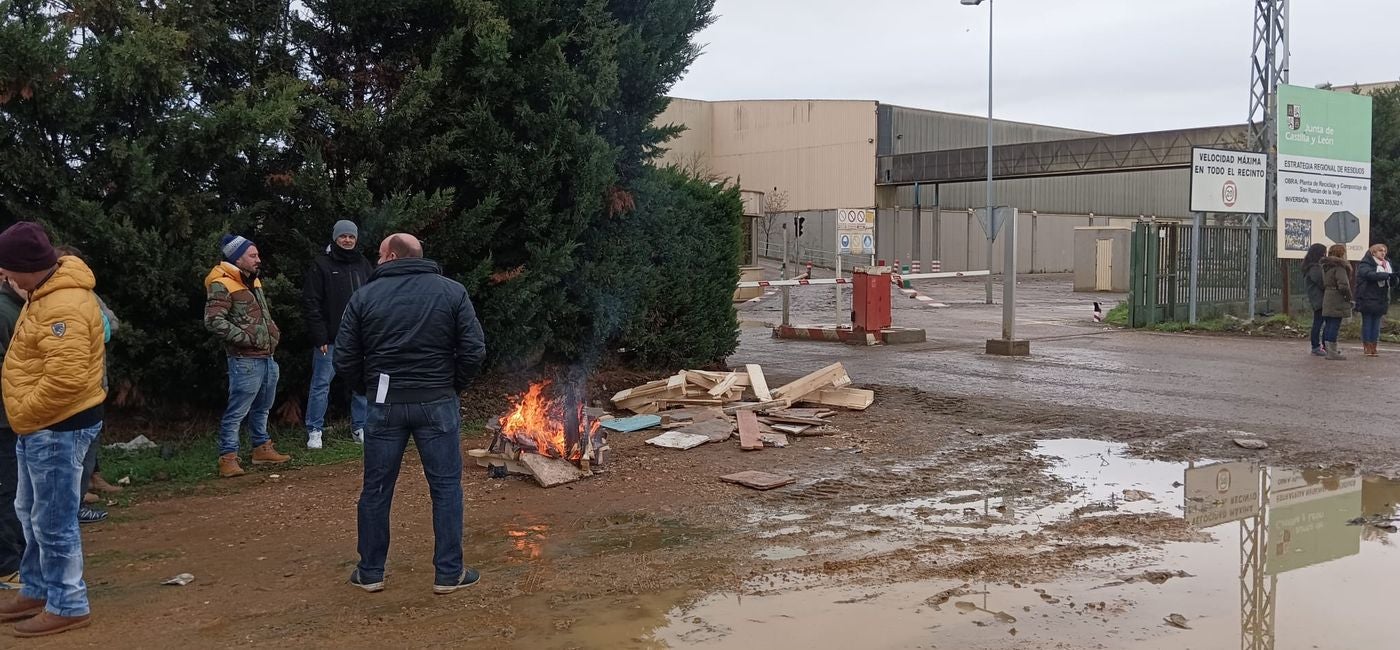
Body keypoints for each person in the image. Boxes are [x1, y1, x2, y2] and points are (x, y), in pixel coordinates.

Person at [335, 233, 486, 595]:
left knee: (376, 488)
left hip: (384, 405)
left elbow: (344, 356)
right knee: (446, 488)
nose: (375, 259)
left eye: (378, 254)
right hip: (437, 401)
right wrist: (450, 385)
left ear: (390, 256)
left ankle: (371, 572)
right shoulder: (452, 292)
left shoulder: (364, 296)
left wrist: (366, 389)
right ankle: (449, 574)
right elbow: (474, 350)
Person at [0, 222, 106, 637]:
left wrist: (25, 411)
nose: (4, 276)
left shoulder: (62, 305)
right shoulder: (42, 294)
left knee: (53, 519)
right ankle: (39, 587)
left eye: (7, 268)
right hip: (41, 427)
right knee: (30, 510)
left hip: (57, 427)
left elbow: (66, 379)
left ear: (25, 266)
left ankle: (68, 602)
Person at [205, 234, 290, 478]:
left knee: (263, 406)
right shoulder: (221, 283)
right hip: (244, 358)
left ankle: (261, 448)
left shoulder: (252, 280)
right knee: (238, 410)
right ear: (236, 257)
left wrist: (272, 332)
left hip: (267, 355)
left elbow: (262, 315)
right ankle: (228, 457)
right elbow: (213, 321)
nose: (258, 260)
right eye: (253, 255)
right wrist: (247, 339)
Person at [53, 245, 120, 525]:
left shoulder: (89, 295)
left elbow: (112, 324)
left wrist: (98, 324)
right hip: (70, 387)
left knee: (89, 444)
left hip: (95, 381)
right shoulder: (55, 299)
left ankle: (77, 500)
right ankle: (67, 509)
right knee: (67, 451)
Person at [302, 220, 372, 449]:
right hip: (330, 340)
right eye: (343, 236)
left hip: (360, 339)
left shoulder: (363, 264)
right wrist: (319, 335)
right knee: (321, 385)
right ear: (335, 238)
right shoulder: (321, 264)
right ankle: (314, 430)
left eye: (351, 236)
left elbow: (373, 297)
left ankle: (360, 427)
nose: (348, 240)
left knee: (361, 385)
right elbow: (312, 302)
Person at [0, 273, 25, 586]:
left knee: (17, 490)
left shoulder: (21, 306)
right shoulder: (4, 311)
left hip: (17, 416)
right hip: (5, 418)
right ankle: (7, 565)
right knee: (8, 491)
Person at [1354, 243, 1394, 358]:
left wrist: (1393, 279)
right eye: (1380, 250)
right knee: (1367, 322)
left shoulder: (1387, 264)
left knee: (1377, 324)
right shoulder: (1366, 263)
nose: (1383, 253)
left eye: (1385, 251)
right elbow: (1368, 274)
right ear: (1373, 252)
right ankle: (1367, 346)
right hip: (1367, 297)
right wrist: (1384, 275)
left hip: (1381, 298)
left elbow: (1390, 280)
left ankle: (1374, 346)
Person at [1320, 244, 1355, 361]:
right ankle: (1332, 352)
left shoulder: (1326, 266)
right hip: (1337, 298)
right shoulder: (1340, 267)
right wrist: (1349, 298)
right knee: (1335, 325)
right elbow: (1343, 285)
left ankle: (1329, 350)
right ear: (1342, 254)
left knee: (1329, 324)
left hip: (1328, 296)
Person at [1302, 243, 1328, 357]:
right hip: (1319, 299)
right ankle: (1316, 346)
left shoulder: (1311, 266)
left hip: (1317, 298)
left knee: (1319, 322)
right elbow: (1321, 282)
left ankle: (1319, 345)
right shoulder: (1314, 268)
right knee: (1319, 323)